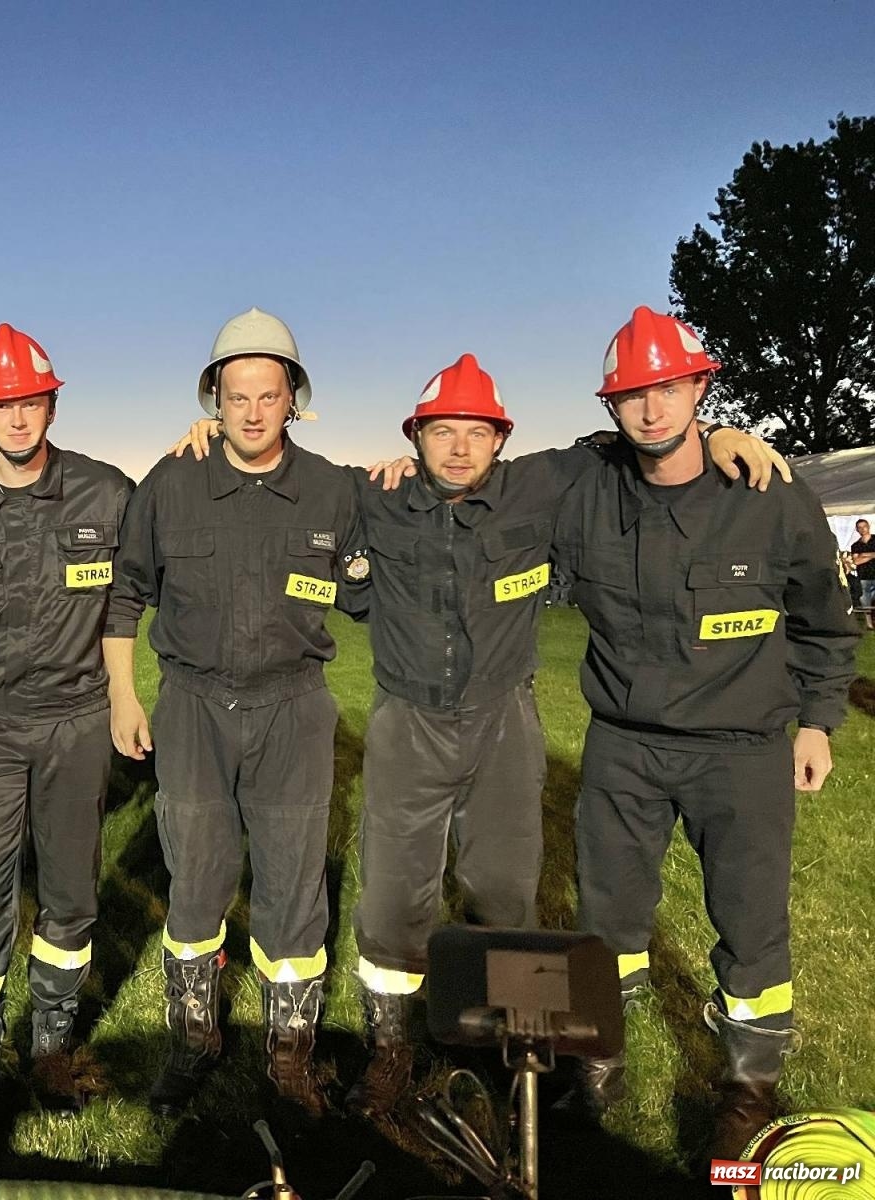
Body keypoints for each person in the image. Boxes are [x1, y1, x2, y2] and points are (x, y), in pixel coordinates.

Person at [167, 352, 785, 1122]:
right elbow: (280, 472)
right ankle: (392, 1051)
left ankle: (511, 1055)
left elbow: (632, 438)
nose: (459, 448)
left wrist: (723, 430)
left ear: (502, 439)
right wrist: (210, 435)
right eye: (441, 432)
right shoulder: (373, 496)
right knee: (393, 903)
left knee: (505, 891)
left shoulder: (540, 487)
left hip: (504, 721)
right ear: (415, 437)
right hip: (407, 722)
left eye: (477, 432)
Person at [553, 307, 858, 1160]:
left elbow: (825, 622)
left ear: (699, 388)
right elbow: (493, 473)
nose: (651, 410)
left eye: (668, 388)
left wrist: (818, 723)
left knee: (752, 920)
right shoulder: (588, 488)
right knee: (608, 914)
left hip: (744, 748)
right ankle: (598, 1059)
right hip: (625, 745)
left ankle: (749, 1085)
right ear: (611, 407)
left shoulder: (767, 493)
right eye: (632, 396)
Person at [107, 308, 370, 1124]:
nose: (252, 411)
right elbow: (124, 595)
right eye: (236, 394)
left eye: (268, 393)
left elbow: (371, 588)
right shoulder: (171, 482)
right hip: (192, 707)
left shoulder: (335, 488)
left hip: (294, 707)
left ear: (294, 398)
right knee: (197, 876)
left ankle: (290, 1054)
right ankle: (193, 1039)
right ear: (213, 399)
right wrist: (124, 694)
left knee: (295, 884)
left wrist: (409, 480)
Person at [0, 324, 134, 1149]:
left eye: (32, 402)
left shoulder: (106, 493)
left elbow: (135, 585)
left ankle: (51, 1040)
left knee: (72, 892)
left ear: (52, 402)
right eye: (2, 406)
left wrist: (122, 691)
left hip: (77, 719)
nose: (19, 419)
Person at [849, 517, 875, 629]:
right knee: (866, 602)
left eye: (864, 526)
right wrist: (872, 555)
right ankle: (869, 624)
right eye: (860, 528)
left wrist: (863, 555)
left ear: (868, 527)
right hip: (864, 576)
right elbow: (856, 561)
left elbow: (859, 558)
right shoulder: (855, 545)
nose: (863, 529)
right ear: (857, 530)